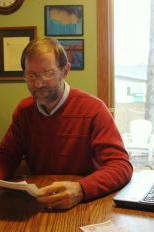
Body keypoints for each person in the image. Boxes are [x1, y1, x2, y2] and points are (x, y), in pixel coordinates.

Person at [0, 37, 133, 210]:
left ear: (65, 71)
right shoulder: (24, 110)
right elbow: (7, 155)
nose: (38, 84)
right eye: (31, 75)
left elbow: (121, 166)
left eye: (47, 73)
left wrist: (81, 189)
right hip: (41, 203)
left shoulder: (94, 109)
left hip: (85, 203)